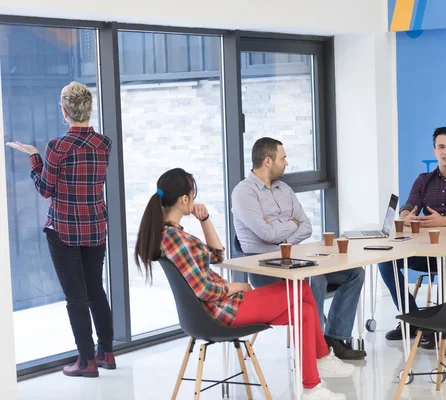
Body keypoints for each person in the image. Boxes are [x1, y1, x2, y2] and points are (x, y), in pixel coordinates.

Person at [134, 168, 354, 400]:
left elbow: (218, 257)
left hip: (219, 308)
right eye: (193, 195)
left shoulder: (170, 235)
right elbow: (204, 289)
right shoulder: (175, 239)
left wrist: (205, 220)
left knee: (305, 310)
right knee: (301, 288)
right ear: (184, 199)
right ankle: (321, 364)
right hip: (221, 311)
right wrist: (237, 287)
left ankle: (312, 384)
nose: (195, 200)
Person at [6, 82, 115, 377]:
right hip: (95, 226)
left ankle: (86, 361)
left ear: (64, 111)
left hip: (64, 228)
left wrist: (33, 157)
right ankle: (106, 352)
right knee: (95, 290)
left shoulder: (58, 146)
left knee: (76, 297)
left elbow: (45, 188)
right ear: (88, 109)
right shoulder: (104, 143)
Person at [231, 137, 366, 360]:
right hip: (264, 268)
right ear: (267, 161)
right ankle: (313, 349)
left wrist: (282, 237)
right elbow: (266, 234)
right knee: (316, 279)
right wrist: (289, 225)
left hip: (294, 260)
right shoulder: (243, 193)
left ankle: (332, 338)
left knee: (355, 273)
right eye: (282, 158)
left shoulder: (284, 189)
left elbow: (305, 226)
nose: (286, 163)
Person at [378, 127, 446, 347]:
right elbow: (409, 206)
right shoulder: (423, 180)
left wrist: (443, 221)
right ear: (434, 151)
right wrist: (407, 216)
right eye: (441, 147)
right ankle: (415, 321)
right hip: (426, 250)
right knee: (386, 261)